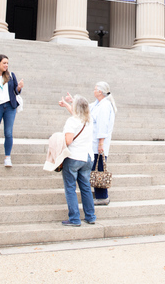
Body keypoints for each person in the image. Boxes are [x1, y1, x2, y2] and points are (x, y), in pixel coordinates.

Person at [58, 93, 96, 227]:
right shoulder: (89, 119)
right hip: (87, 158)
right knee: (85, 187)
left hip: (74, 157)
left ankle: (74, 218)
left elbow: (68, 141)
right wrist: (69, 104)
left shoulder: (72, 121)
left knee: (70, 188)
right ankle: (90, 216)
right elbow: (78, 112)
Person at [0, 54, 24, 167]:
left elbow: (16, 91)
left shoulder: (11, 75)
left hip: (10, 107)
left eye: (7, 63)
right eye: (4, 63)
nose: (6, 65)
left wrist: (19, 87)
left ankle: (7, 157)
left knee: (8, 132)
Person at [91, 81, 116, 206]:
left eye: (95, 89)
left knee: (99, 169)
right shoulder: (98, 104)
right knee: (97, 168)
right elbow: (86, 107)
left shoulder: (105, 106)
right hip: (95, 144)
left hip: (99, 145)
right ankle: (99, 194)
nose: (94, 90)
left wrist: (101, 143)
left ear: (100, 91)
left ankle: (102, 196)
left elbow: (103, 125)